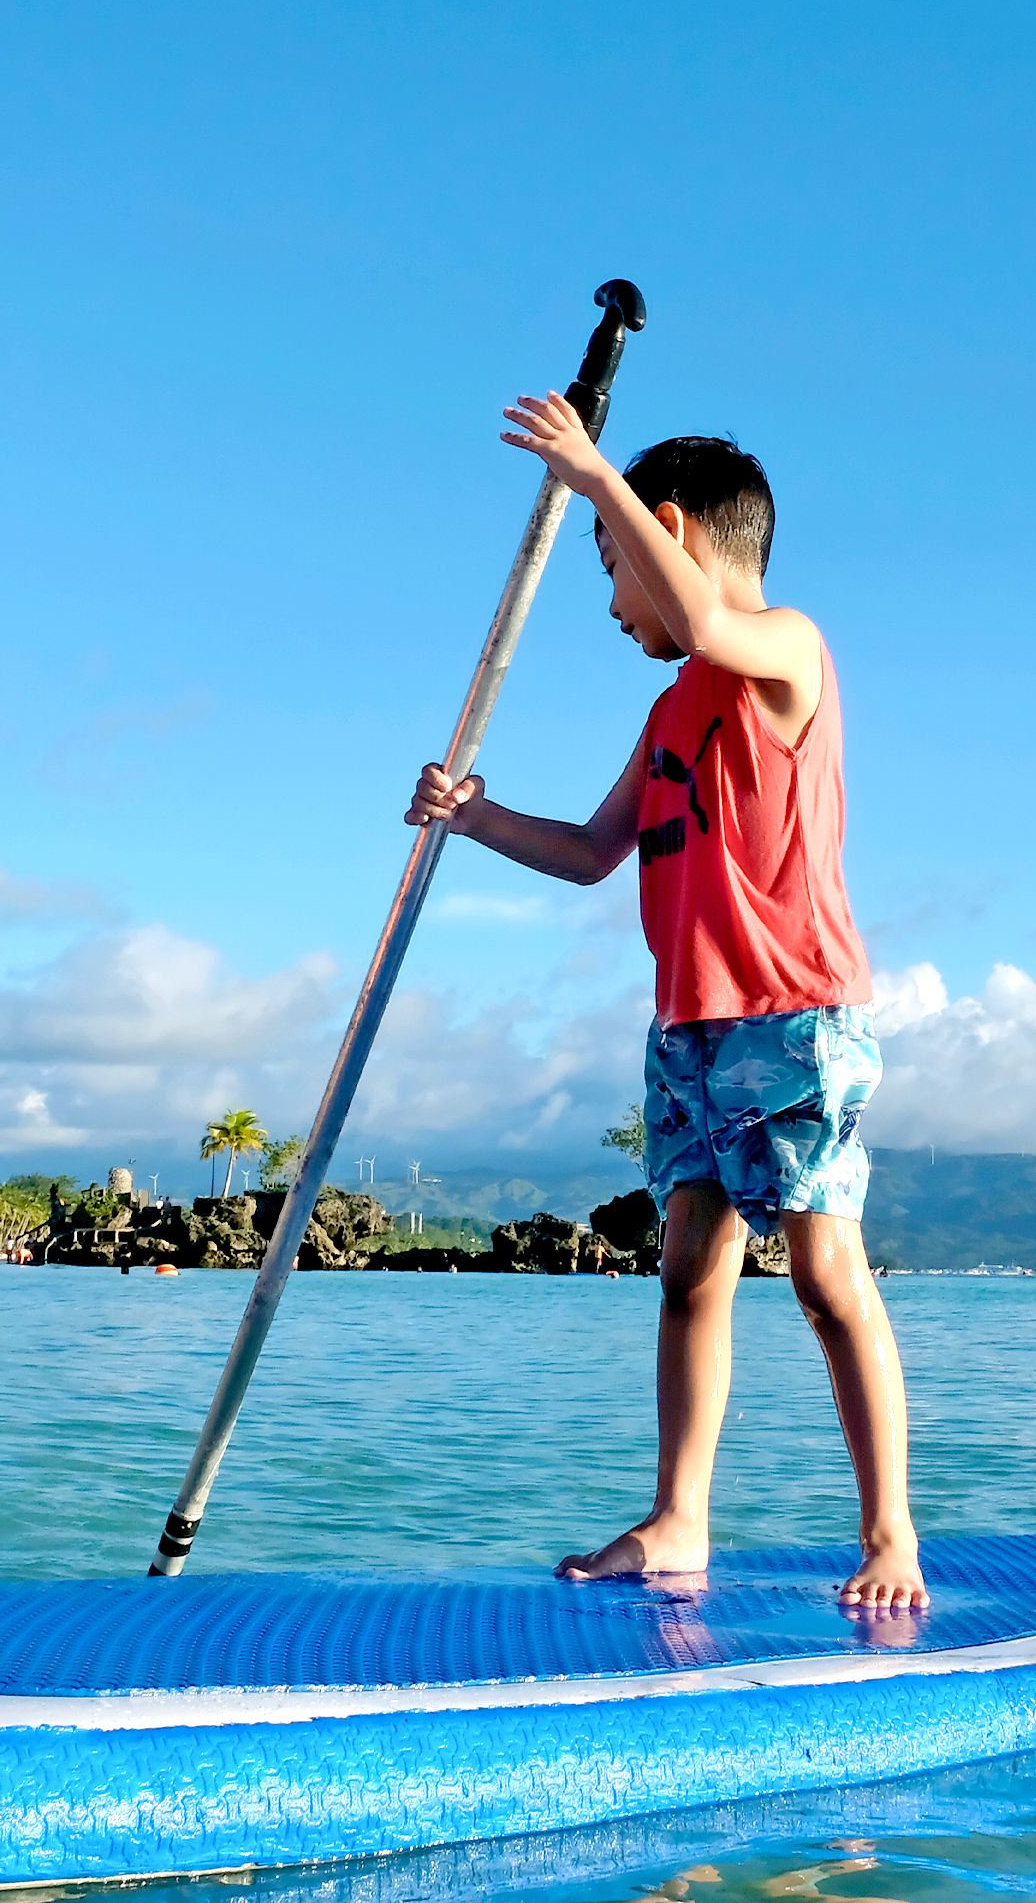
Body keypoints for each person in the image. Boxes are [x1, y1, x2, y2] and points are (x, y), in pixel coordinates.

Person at [406, 398, 924, 1610]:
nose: (611, 606)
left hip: (796, 1015)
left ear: (670, 533)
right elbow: (593, 852)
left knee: (820, 1273)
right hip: (687, 1025)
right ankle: (678, 1517)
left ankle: (890, 1532)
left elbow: (697, 612)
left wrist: (591, 477)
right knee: (688, 1265)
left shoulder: (788, 648)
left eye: (616, 570)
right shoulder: (667, 712)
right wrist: (473, 817)